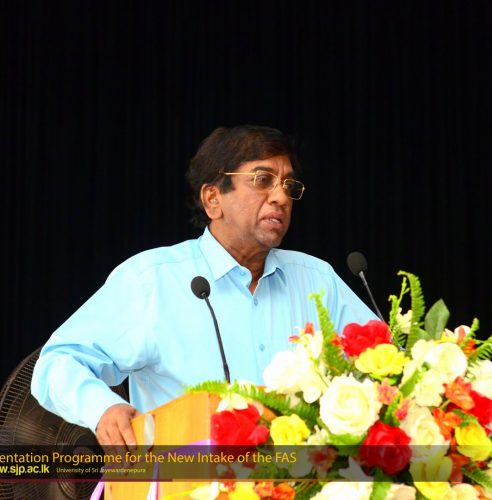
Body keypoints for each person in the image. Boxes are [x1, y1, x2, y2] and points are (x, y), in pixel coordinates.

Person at [31, 125, 376, 449]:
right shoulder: (153, 280)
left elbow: (382, 364)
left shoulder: (316, 280)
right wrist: (103, 409)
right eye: (263, 180)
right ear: (213, 199)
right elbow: (59, 361)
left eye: (289, 186)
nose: (281, 197)